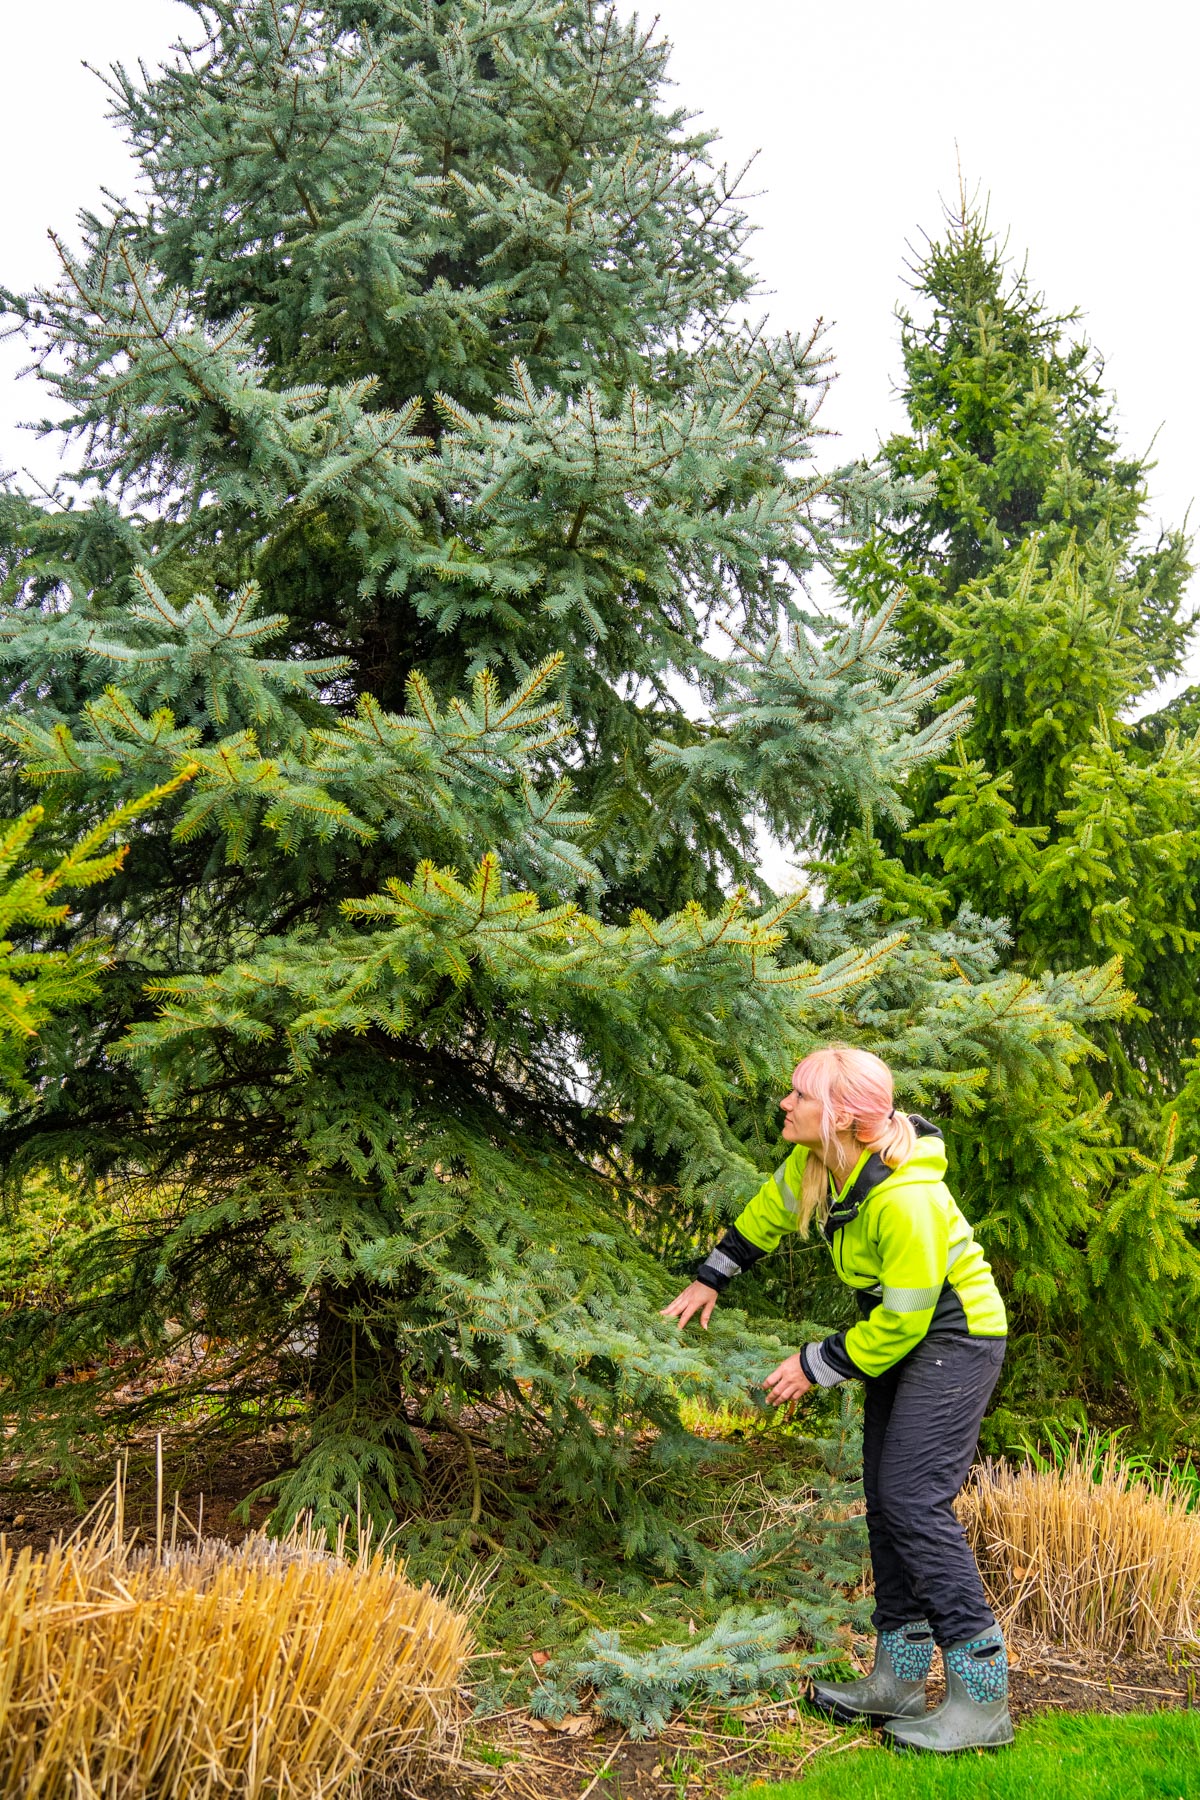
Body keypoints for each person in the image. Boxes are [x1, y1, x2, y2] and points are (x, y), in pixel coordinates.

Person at [662, 1043, 1012, 1753]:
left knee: (916, 1502)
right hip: (903, 1333)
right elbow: (766, 1215)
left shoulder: (906, 1198)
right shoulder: (821, 1161)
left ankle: (984, 1703)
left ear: (848, 1120)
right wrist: (711, 1279)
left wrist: (815, 1364)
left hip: (955, 1336)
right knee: (888, 1503)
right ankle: (899, 1679)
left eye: (801, 1096)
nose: (786, 1104)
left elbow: (909, 1318)